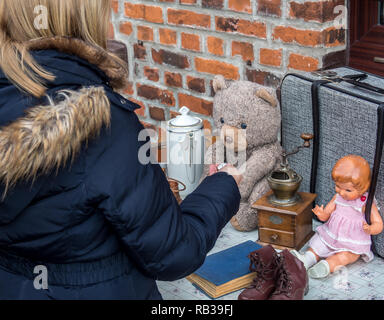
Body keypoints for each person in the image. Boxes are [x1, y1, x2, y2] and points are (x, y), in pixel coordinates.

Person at [0, 0, 243, 300]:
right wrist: (223, 186)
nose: (109, 21)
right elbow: (174, 252)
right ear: (81, 18)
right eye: (104, 10)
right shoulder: (102, 121)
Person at [291, 155, 383, 279]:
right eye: (338, 187)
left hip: (352, 243)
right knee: (318, 244)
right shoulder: (338, 197)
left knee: (345, 256)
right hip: (331, 235)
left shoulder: (365, 203)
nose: (342, 192)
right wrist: (322, 214)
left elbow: (379, 223)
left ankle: (327, 266)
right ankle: (307, 259)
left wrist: (371, 229)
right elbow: (327, 214)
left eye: (348, 190)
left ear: (363, 188)